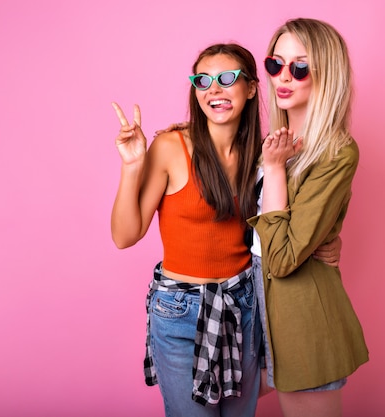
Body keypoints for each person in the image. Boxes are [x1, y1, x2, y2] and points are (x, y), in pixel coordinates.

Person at [111, 43, 264, 417]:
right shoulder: (171, 146)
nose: (214, 89)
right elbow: (124, 236)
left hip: (241, 304)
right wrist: (132, 166)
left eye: (227, 78)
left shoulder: (260, 155)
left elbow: (278, 227)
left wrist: (331, 242)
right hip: (181, 310)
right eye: (203, 80)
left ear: (251, 88)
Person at [247, 18, 369, 417]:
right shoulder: (270, 144)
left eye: (300, 67)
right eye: (275, 64)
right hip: (252, 303)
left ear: (325, 74)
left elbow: (282, 258)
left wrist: (277, 169)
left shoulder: (336, 152)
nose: (284, 77)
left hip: (302, 312)